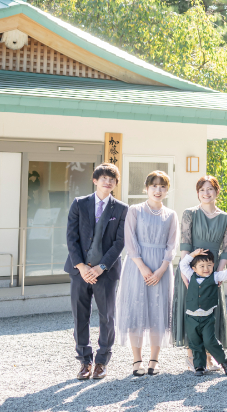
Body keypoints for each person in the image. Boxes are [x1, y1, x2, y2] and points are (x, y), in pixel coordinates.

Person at [65, 162, 129, 380]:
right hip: (80, 271)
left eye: (112, 179)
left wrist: (101, 267)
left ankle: (102, 361)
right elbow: (71, 237)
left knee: (107, 316)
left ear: (115, 183)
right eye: (104, 178)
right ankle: (85, 361)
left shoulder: (121, 208)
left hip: (106, 272)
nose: (108, 182)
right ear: (95, 180)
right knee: (80, 316)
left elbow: (120, 242)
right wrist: (81, 266)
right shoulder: (79, 204)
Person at [116, 171, 178, 376]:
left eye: (162, 187)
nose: (158, 190)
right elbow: (130, 241)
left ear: (167, 190)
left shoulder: (171, 215)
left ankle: (154, 360)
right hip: (137, 266)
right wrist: (143, 268)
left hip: (161, 267)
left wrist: (161, 270)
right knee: (136, 311)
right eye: (154, 186)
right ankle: (137, 360)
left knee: (157, 312)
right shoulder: (135, 210)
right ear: (146, 188)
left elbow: (172, 245)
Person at [172, 175, 227, 372]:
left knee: (210, 311)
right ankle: (191, 356)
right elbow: (185, 243)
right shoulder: (190, 213)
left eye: (210, 189)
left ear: (217, 191)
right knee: (191, 311)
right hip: (191, 269)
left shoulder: (226, 218)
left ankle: (209, 357)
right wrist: (185, 271)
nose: (206, 193)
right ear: (198, 193)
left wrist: (218, 271)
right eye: (202, 190)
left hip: (212, 270)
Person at [180, 248, 227, 376]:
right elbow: (183, 264)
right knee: (195, 342)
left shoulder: (215, 277)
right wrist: (193, 254)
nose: (206, 268)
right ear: (194, 268)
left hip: (207, 318)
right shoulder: (191, 275)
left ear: (213, 265)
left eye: (209, 265)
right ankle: (199, 366)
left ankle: (225, 362)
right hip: (191, 318)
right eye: (202, 266)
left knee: (210, 341)